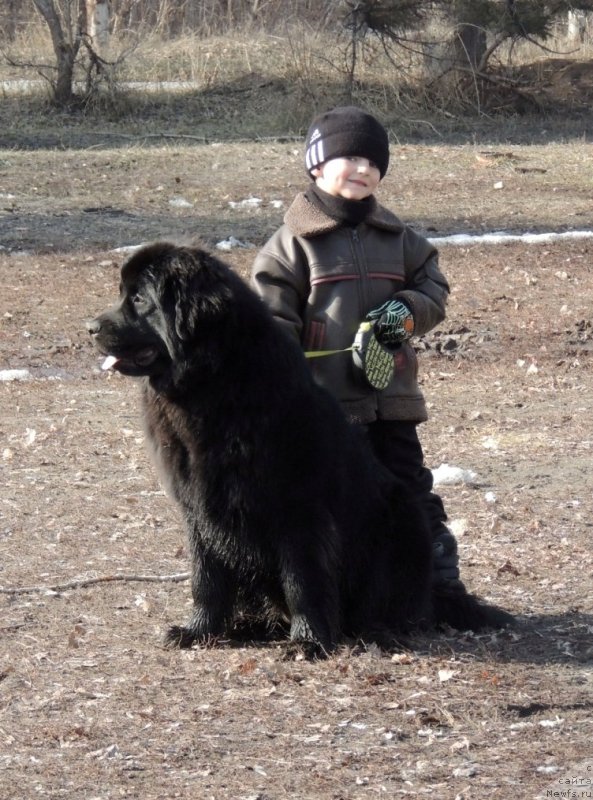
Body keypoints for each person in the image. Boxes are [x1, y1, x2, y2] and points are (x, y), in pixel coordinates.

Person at [250, 105, 462, 593]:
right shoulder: (291, 245)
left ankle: (438, 582)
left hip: (393, 397)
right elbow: (269, 322)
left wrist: (404, 311)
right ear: (317, 165)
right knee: (338, 494)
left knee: (408, 485)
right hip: (327, 405)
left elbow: (433, 288)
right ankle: (348, 592)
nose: (363, 169)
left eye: (374, 162)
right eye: (350, 158)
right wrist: (288, 382)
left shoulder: (398, 237)